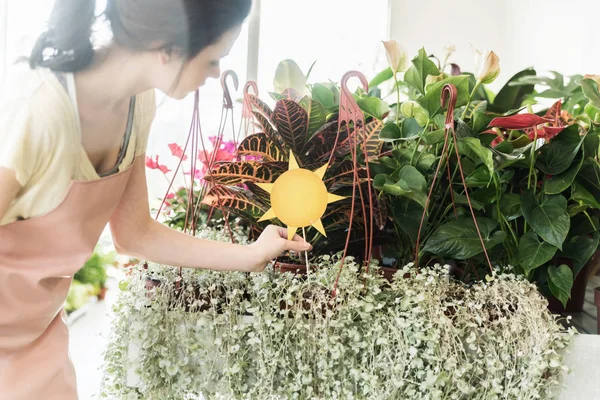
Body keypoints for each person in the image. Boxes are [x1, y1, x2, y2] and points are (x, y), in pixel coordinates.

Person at [0, 1, 311, 398]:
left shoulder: (137, 103)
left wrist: (250, 254)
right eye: (214, 59)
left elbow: (135, 233)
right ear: (170, 48)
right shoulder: (37, 108)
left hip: (36, 344)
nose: (216, 74)